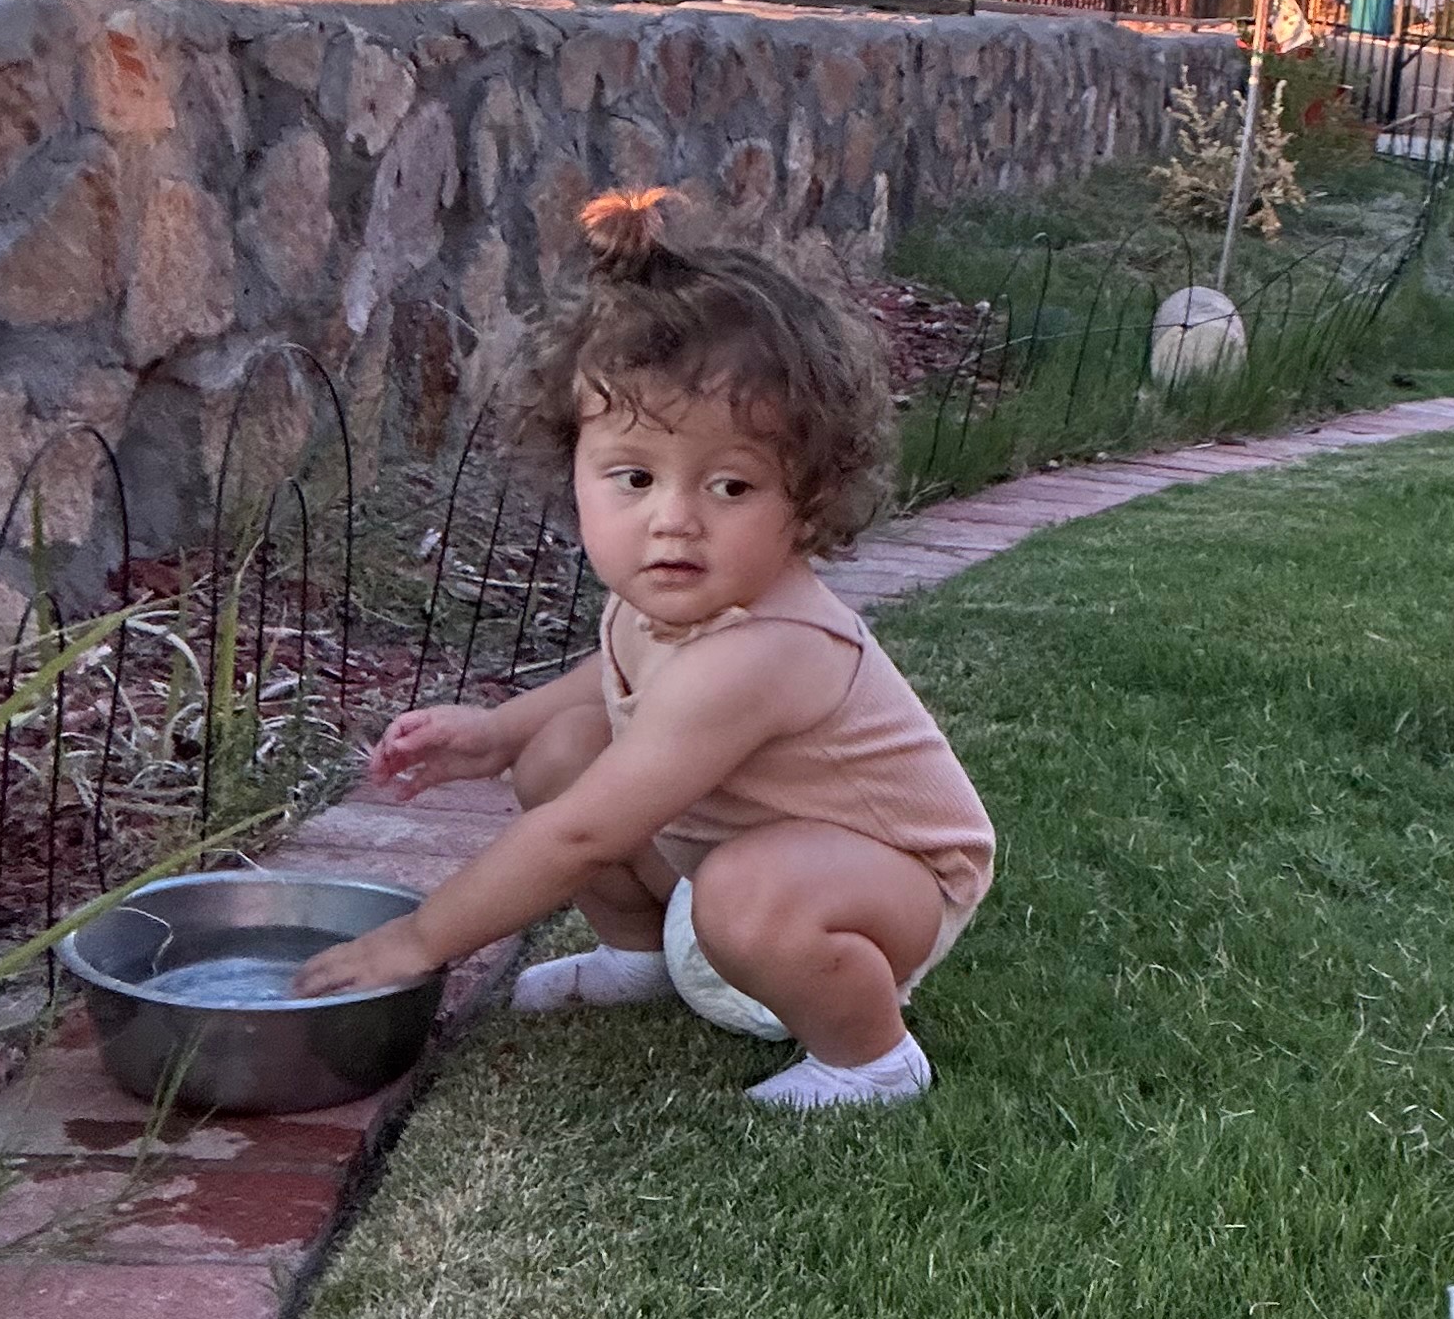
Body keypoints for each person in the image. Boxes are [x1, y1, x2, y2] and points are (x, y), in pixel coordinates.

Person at [292, 195, 992, 1112]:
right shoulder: (663, 599)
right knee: (562, 752)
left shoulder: (764, 652)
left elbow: (582, 835)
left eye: (731, 485)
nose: (673, 519)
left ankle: (872, 1057)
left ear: (809, 496)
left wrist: (418, 941)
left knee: (737, 887)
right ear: (574, 467)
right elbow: (618, 672)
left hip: (886, 883)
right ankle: (639, 956)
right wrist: (501, 734)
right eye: (634, 477)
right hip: (749, 852)